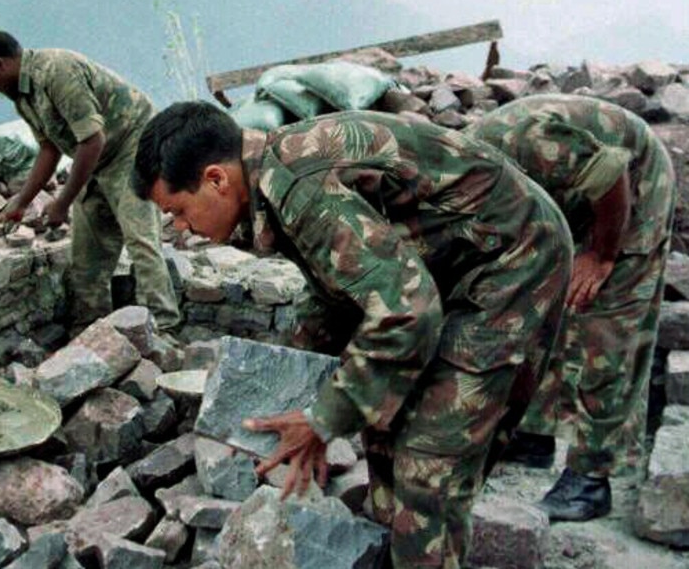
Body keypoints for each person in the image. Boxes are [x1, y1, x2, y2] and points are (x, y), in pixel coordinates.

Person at [132, 102, 571, 568]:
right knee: (382, 423)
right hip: (448, 262)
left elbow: (409, 311)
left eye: (177, 211)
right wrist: (293, 383)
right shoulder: (273, 183)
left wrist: (322, 417)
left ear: (216, 179)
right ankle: (389, 545)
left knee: (430, 464)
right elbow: (337, 291)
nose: (182, 229)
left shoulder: (300, 186)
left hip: (512, 260)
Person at [467, 94, 675, 521]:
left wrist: (602, 254)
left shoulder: (524, 141)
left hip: (632, 182)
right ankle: (533, 436)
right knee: (543, 311)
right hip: (571, 201)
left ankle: (590, 479)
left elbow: (610, 173)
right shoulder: (455, 180)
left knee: (608, 329)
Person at [0, 31, 181, 331]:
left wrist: (62, 202)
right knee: (88, 250)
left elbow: (93, 139)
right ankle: (89, 328)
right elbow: (49, 147)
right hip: (97, 159)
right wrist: (22, 201)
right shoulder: (23, 97)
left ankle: (162, 327)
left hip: (132, 146)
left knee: (139, 237)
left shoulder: (56, 71)